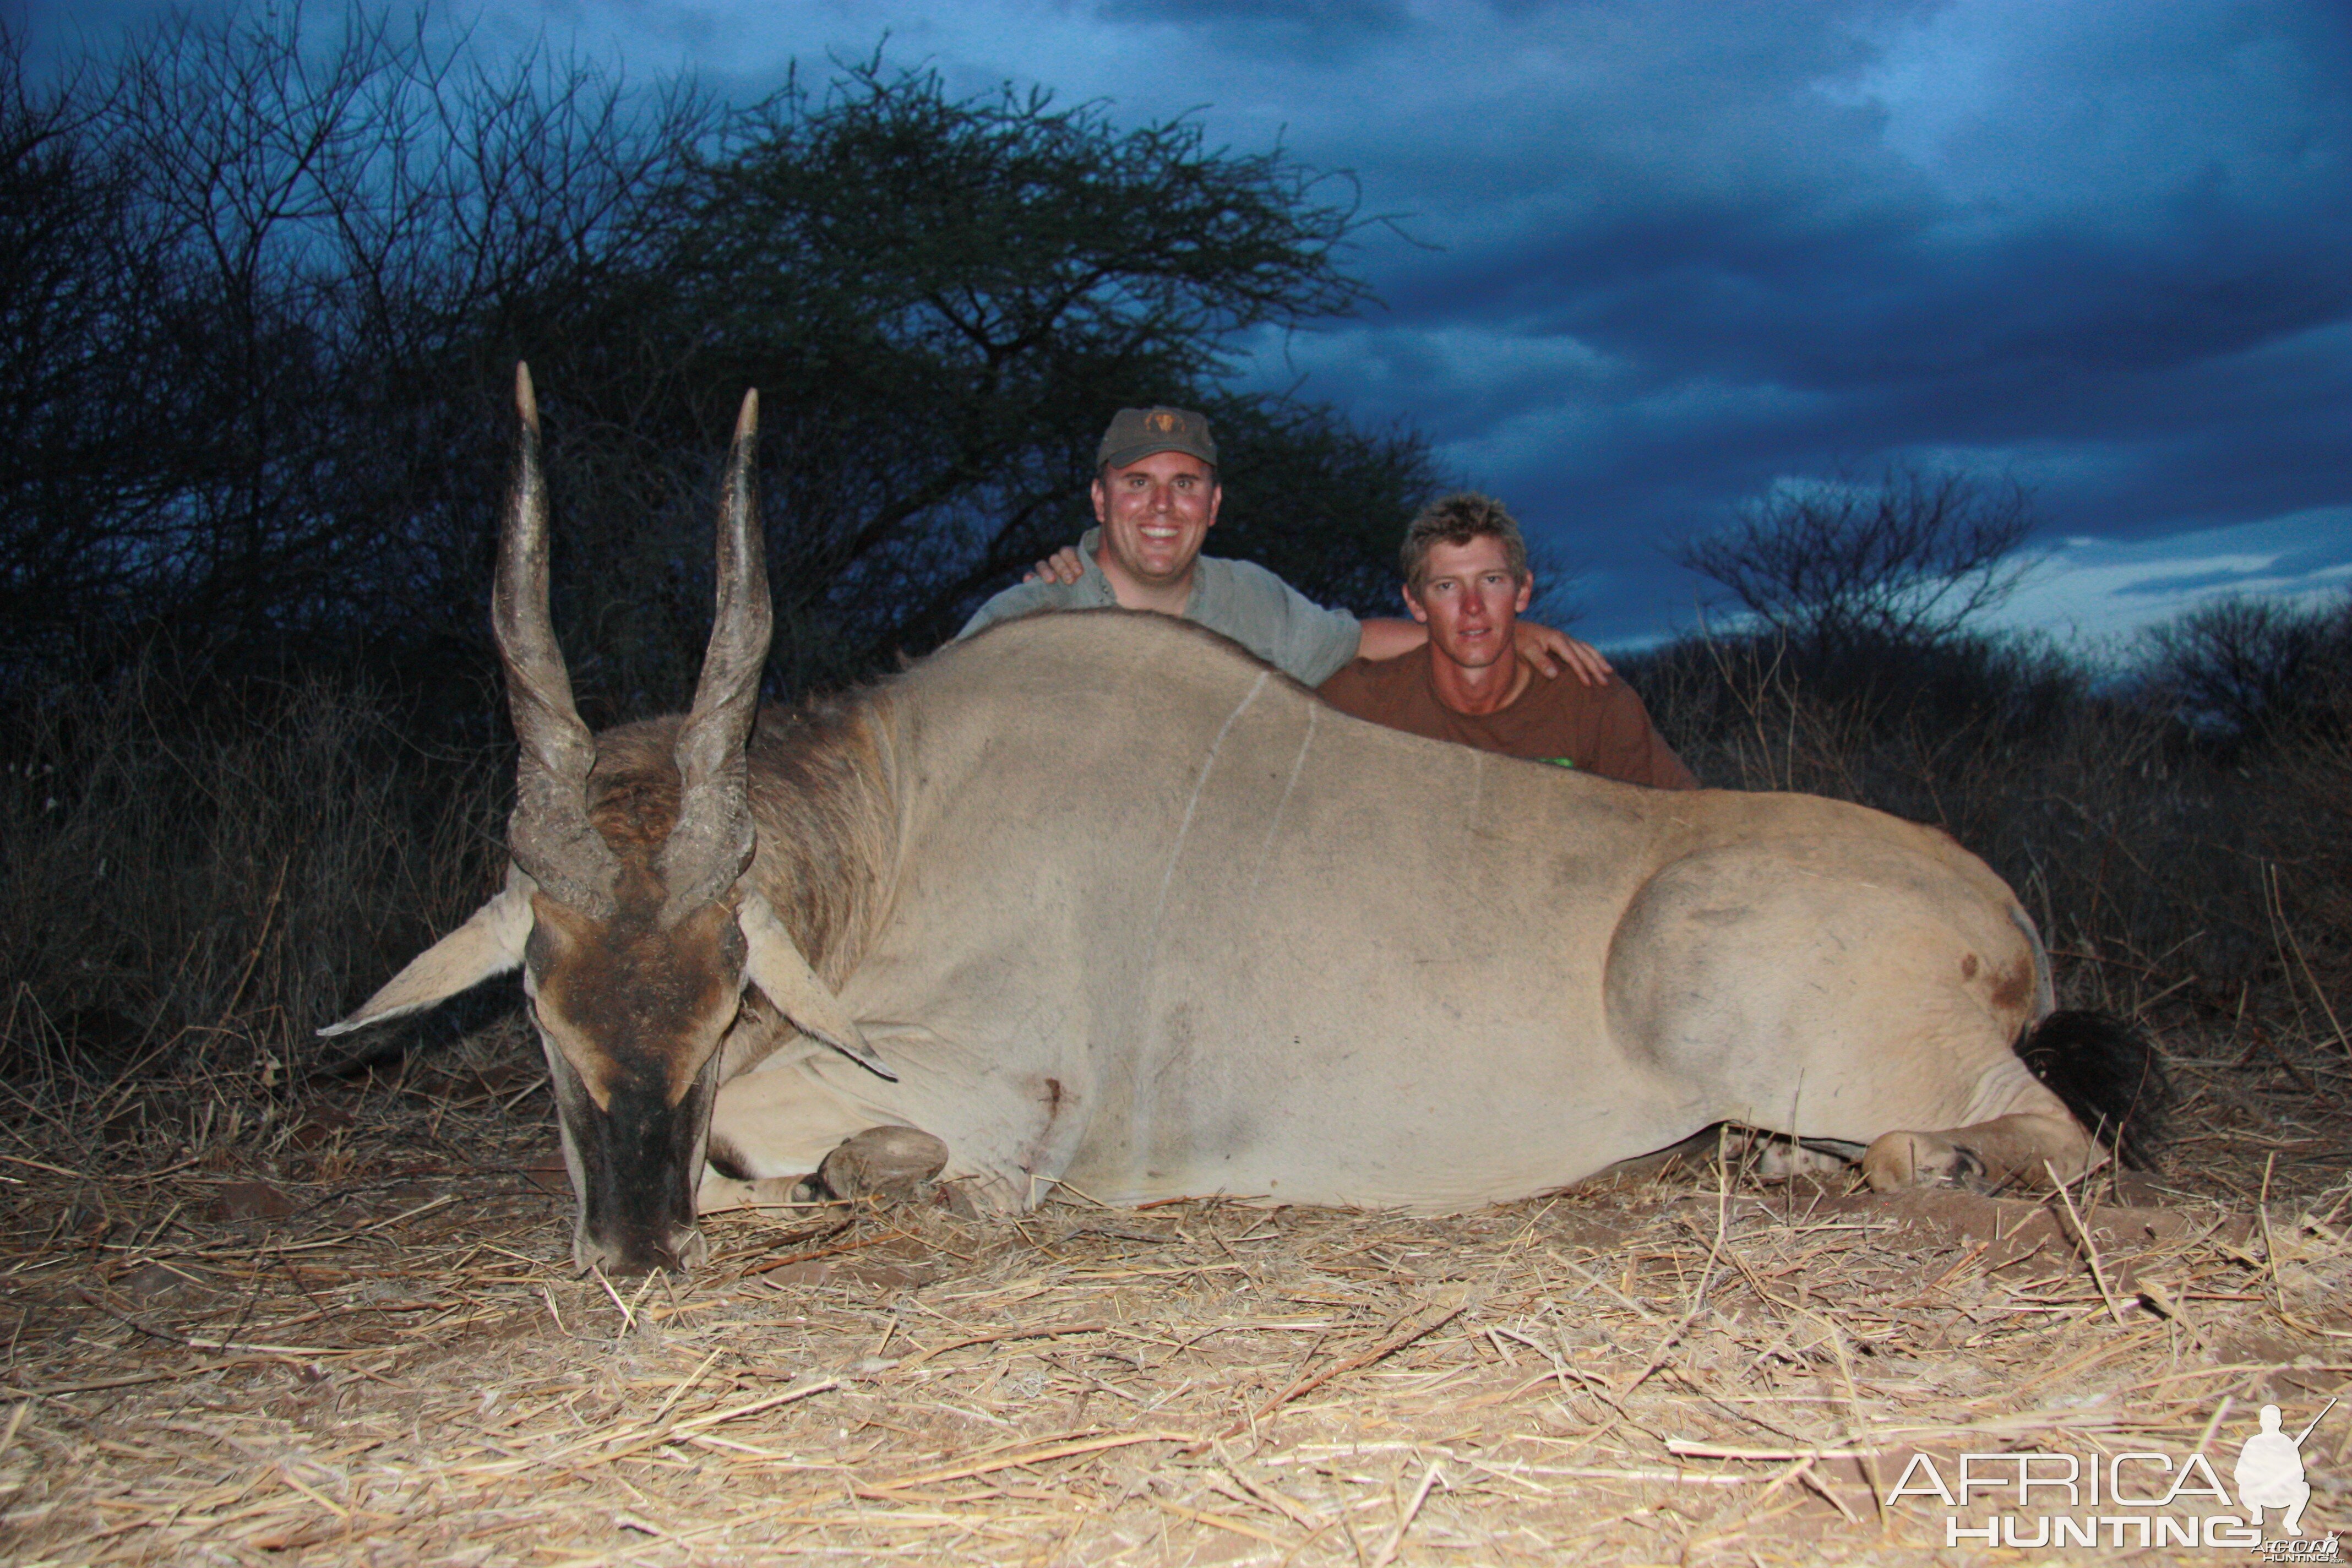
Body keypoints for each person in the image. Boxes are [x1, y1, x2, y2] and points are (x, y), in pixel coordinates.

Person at [957, 406, 1612, 689]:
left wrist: (1495, 634)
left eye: (1184, 484)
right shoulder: (1028, 616)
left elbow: (1354, 640)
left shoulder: (1250, 598)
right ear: (1101, 501)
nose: (1162, 508)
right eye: (1137, 484)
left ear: (1213, 505)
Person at [1317, 493, 1698, 789]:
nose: (1472, 607)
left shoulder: (1594, 704)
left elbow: (1685, 824)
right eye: (1447, 586)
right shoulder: (1361, 702)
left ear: (1523, 590)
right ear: (1415, 603)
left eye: (1492, 581)